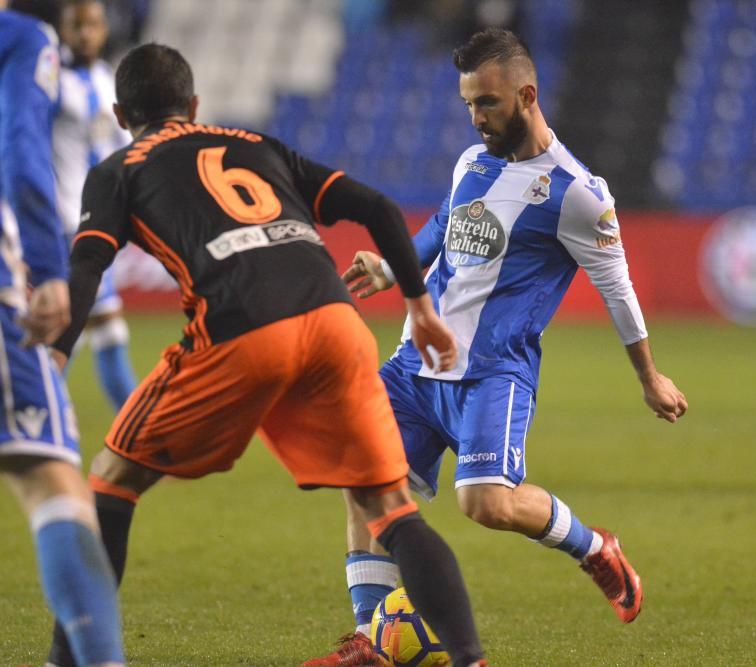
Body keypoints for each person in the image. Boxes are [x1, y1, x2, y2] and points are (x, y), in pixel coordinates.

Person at [44, 43, 487, 667]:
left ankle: (68, 660)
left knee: (112, 480)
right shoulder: (256, 145)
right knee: (390, 508)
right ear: (194, 105)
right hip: (337, 323)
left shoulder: (120, 167)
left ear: (120, 115)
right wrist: (419, 305)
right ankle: (473, 660)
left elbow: (87, 265)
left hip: (242, 329)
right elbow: (381, 209)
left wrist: (56, 359)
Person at [306, 27, 687, 667]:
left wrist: (648, 375)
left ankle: (595, 548)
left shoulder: (578, 194)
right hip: (416, 363)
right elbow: (445, 227)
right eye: (468, 105)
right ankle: (374, 643)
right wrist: (394, 269)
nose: (477, 118)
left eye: (486, 103)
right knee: (364, 476)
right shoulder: (471, 162)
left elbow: (617, 287)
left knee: (486, 504)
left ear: (527, 95)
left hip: (493, 374)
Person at [0, 3, 126, 667]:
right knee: (50, 477)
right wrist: (48, 271)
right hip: (54, 238)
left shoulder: (101, 77)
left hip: (91, 221)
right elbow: (22, 152)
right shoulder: (21, 39)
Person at [53, 0, 136, 410]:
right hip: (65, 222)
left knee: (94, 328)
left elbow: (126, 148)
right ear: (63, 30)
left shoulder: (107, 81)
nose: (86, 33)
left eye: (93, 25)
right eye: (77, 26)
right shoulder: (47, 81)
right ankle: (144, 439)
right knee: (86, 327)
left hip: (98, 223)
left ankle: (30, 417)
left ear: (104, 30)